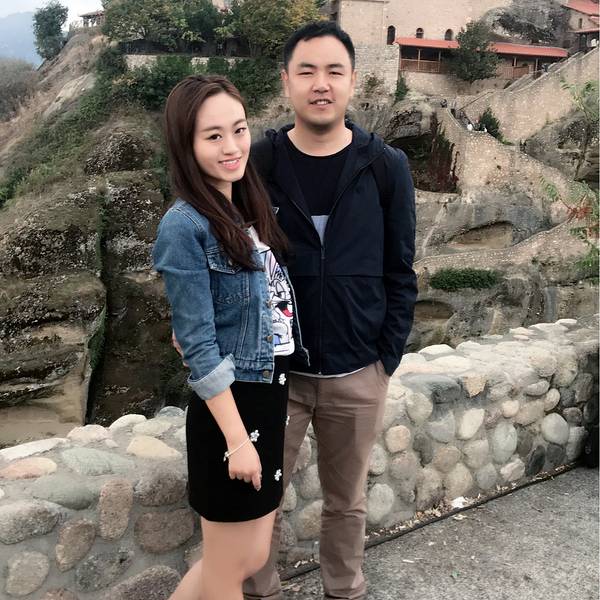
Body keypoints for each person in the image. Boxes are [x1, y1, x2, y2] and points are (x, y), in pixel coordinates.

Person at [244, 21, 418, 600]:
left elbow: (400, 269)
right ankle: (258, 589)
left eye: (334, 71)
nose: (321, 84)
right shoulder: (259, 162)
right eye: (307, 71)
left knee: (347, 501)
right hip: (277, 375)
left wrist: (385, 358)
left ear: (352, 81)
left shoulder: (385, 165)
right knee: (261, 497)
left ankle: (344, 588)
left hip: (358, 371)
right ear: (286, 81)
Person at [152, 74, 308, 600]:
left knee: (249, 556)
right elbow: (198, 346)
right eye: (213, 136)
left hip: (267, 393)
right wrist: (238, 441)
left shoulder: (244, 209)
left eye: (238, 130)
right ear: (186, 145)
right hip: (230, 409)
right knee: (226, 568)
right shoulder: (184, 225)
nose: (232, 146)